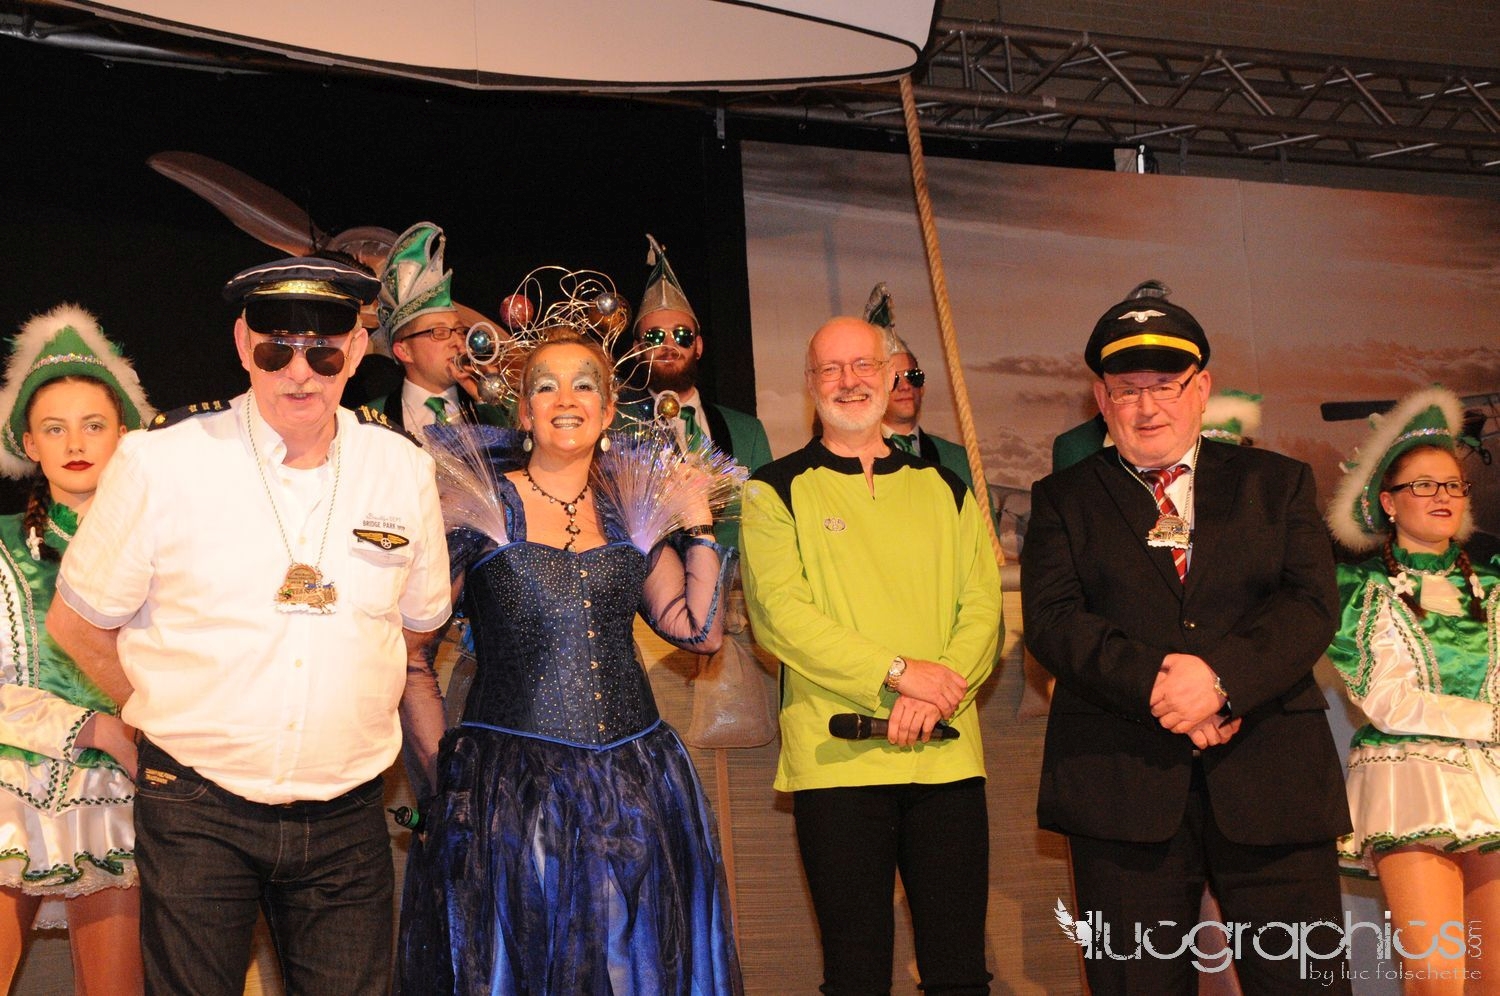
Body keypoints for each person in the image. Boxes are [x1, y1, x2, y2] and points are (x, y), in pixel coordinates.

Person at [45, 256, 452, 995]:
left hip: (348, 811)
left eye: (323, 352)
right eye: (276, 350)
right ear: (243, 345)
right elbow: (77, 623)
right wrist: (155, 712)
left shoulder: (402, 468)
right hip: (197, 806)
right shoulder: (162, 460)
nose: (300, 373)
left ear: (357, 350)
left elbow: (418, 626)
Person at [398, 274, 744, 994]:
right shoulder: (477, 505)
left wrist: (699, 526)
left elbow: (700, 632)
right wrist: (443, 785)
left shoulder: (630, 511)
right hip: (511, 794)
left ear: (609, 409)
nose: (566, 399)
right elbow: (411, 657)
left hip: (635, 787)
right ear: (523, 411)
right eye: (546, 386)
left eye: (585, 385)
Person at [1020, 287, 1351, 994]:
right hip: (1121, 785)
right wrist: (1165, 688)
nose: (1148, 407)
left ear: (1201, 390)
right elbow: (1052, 619)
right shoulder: (1062, 499)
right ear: (1101, 400)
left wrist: (1221, 680)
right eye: (1127, 389)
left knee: (1306, 983)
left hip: (1271, 776)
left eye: (1166, 385)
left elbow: (1310, 605)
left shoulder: (1278, 483)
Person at [740, 316, 1001, 995]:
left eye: (863, 365)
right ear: (810, 383)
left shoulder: (947, 487)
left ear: (892, 377)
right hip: (837, 762)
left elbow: (983, 610)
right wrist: (900, 675)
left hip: (946, 756)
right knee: (855, 975)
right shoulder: (772, 490)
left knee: (960, 973)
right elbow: (781, 619)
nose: (848, 381)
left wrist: (934, 694)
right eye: (831, 368)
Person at [1325, 386, 1498, 988]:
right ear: (1388, 502)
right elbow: (1389, 701)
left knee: (1492, 975)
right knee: (1437, 974)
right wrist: (1491, 721)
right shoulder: (1359, 588)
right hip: (1412, 783)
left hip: (1492, 785)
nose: (1442, 496)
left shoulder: (1494, 584)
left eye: (1452, 485)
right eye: (1424, 485)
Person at [0, 304, 151, 995]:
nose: (75, 443)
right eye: (55, 428)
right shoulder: (5, 546)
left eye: (94, 425)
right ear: (30, 443)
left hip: (124, 799)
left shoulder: (162, 548)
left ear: (125, 435)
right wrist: (90, 726)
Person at [621, 234, 771, 547]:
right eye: (654, 337)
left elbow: (767, 521)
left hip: (732, 575)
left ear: (699, 346)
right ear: (636, 350)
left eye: (682, 336)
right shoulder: (617, 425)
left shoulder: (747, 432)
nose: (669, 345)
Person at [370, 222, 509, 434]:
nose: (458, 342)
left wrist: (488, 400)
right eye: (440, 332)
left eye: (460, 331)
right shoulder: (372, 418)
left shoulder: (490, 409)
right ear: (404, 351)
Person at [863, 283, 974, 490]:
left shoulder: (959, 460)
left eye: (913, 376)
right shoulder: (855, 457)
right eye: (894, 379)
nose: (905, 387)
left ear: (922, 387)